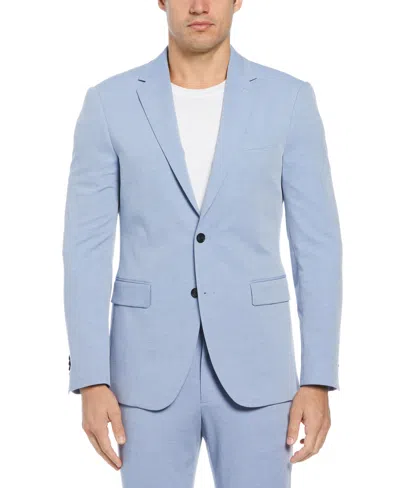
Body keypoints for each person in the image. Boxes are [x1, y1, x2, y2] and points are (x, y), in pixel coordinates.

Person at [62, 1, 342, 486]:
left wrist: (317, 378)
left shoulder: (289, 100)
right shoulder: (109, 103)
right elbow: (85, 248)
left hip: (259, 367)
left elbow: (317, 246)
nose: (199, 5)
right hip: (143, 373)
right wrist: (90, 376)